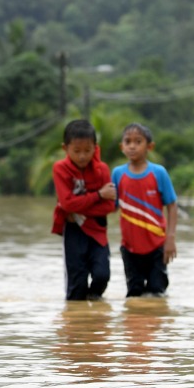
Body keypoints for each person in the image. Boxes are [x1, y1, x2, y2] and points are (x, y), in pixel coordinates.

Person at [52, 119, 117, 301]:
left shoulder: (102, 169)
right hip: (73, 231)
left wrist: (79, 207)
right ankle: (78, 324)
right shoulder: (60, 169)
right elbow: (67, 204)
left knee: (102, 275)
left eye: (87, 151)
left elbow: (110, 205)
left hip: (97, 229)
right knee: (76, 286)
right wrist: (98, 195)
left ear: (95, 148)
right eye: (77, 151)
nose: (82, 156)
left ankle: (95, 306)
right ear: (65, 149)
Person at [111, 123, 178, 297]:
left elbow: (172, 205)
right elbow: (111, 206)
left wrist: (170, 238)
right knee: (134, 294)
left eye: (138, 141)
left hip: (157, 246)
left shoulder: (158, 173)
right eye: (128, 141)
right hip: (130, 248)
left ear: (149, 146)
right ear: (122, 147)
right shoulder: (118, 174)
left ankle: (156, 324)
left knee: (157, 292)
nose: (132, 146)